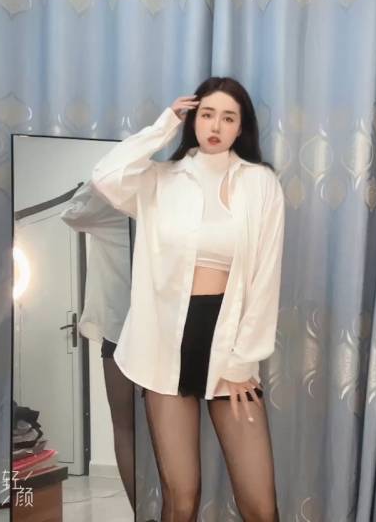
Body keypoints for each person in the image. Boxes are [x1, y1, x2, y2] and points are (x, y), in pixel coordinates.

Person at [91, 77, 285, 521]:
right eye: (207, 114)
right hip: (165, 348)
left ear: (241, 127)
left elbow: (266, 276)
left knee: (261, 506)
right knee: (181, 499)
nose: (216, 126)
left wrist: (242, 360)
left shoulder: (260, 184)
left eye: (228, 117)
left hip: (230, 347)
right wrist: (163, 126)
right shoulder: (161, 179)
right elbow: (105, 177)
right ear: (193, 120)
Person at [60, 183, 135, 511]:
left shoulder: (109, 206)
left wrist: (95, 180)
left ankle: (143, 512)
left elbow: (71, 213)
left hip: (121, 330)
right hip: (156, 330)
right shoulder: (159, 198)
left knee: (125, 427)